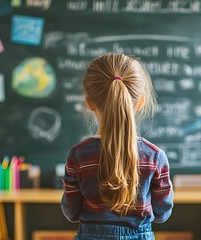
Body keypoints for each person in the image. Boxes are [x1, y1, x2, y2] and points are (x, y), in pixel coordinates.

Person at [61, 53, 173, 240]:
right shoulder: (155, 157)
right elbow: (162, 213)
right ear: (140, 103)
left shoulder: (78, 156)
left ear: (89, 103)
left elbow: (71, 212)